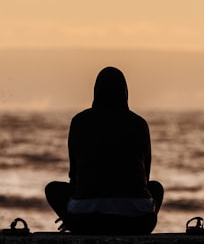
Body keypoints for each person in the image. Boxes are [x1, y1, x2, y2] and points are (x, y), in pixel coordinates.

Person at [45, 66, 165, 235]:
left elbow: (74, 176)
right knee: (156, 188)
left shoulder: (79, 122)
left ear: (96, 92)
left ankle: (73, 223)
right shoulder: (139, 124)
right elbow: (146, 177)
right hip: (138, 223)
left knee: (52, 189)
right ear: (125, 92)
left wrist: (74, 211)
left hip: (86, 221)